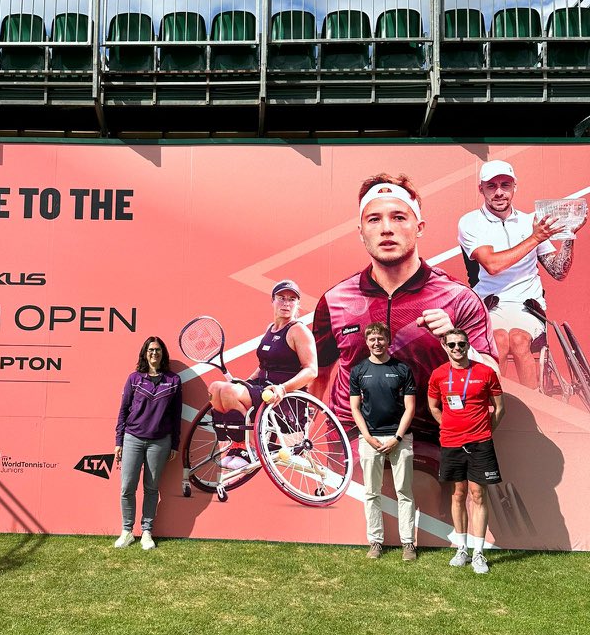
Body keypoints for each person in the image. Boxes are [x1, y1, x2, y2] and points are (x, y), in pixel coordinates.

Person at [311, 173, 497, 445]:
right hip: (348, 441)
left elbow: (491, 378)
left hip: (425, 439)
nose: (386, 228)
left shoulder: (459, 298)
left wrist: (455, 342)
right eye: (374, 219)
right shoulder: (335, 299)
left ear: (419, 226)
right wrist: (302, 430)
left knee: (416, 485)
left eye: (399, 217)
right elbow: (319, 371)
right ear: (361, 231)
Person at [458, 159, 584, 388]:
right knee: (499, 340)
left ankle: (532, 406)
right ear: (481, 189)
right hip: (489, 304)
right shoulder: (470, 222)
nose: (499, 192)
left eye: (505, 185)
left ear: (514, 187)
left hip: (527, 304)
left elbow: (558, 271)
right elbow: (492, 265)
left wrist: (568, 237)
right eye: (491, 186)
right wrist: (535, 238)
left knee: (517, 339)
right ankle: (498, 404)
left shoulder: (530, 222)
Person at [208, 279, 317, 469]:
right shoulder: (270, 329)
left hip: (283, 397)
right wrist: (245, 382)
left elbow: (311, 370)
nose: (286, 303)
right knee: (215, 388)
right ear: (272, 301)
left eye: (292, 299)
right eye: (281, 298)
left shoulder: (298, 331)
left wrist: (283, 389)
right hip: (261, 388)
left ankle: (252, 448)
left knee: (229, 393)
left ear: (298, 304)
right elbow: (263, 366)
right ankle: (237, 446)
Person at [428, 328, 505, 574]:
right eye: (452, 345)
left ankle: (479, 553)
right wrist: (450, 427)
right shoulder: (439, 375)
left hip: (480, 442)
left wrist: (484, 431)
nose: (457, 349)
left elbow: (500, 409)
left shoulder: (485, 372)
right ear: (444, 346)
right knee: (458, 494)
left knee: (478, 494)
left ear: (468, 345)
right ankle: (462, 548)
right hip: (451, 442)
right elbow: (433, 407)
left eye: (461, 344)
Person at [349, 322, 417, 561]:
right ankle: (375, 542)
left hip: (400, 438)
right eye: (372, 339)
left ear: (389, 341)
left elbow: (410, 408)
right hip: (370, 439)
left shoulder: (402, 369)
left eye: (381, 339)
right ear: (367, 342)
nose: (376, 343)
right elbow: (355, 408)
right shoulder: (358, 371)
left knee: (404, 492)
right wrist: (367, 436)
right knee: (371, 493)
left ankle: (408, 543)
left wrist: (398, 437)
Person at [114, 336, 182, 550]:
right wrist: (119, 440)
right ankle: (127, 531)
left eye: (158, 350)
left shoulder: (173, 381)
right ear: (145, 353)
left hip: (160, 442)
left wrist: (174, 444)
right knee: (127, 488)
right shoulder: (134, 379)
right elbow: (123, 411)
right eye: (151, 350)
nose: (154, 353)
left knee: (151, 489)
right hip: (132, 438)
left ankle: (146, 533)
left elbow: (175, 415)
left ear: (163, 354)